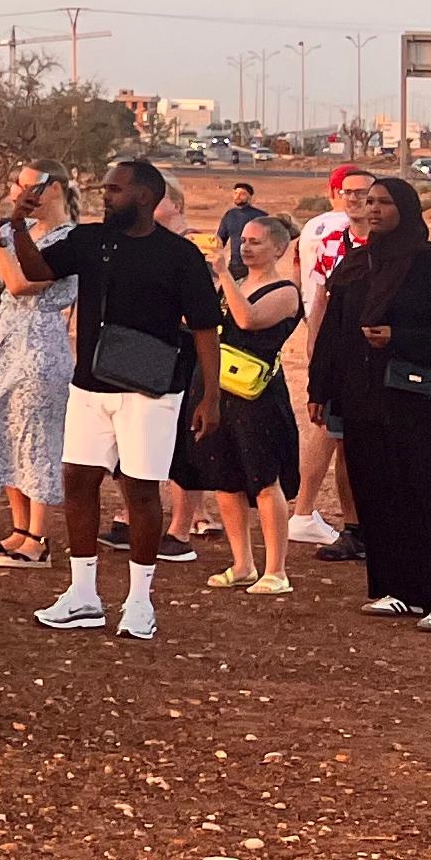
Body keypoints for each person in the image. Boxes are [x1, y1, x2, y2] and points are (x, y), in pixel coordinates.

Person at [0, 156, 223, 643]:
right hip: (90, 383)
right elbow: (40, 272)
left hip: (152, 389)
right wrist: (16, 226)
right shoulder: (90, 240)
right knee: (78, 480)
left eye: (115, 189)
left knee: (141, 490)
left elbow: (206, 329)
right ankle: (83, 595)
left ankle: (140, 601)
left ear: (145, 196)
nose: (106, 195)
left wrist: (211, 396)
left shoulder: (179, 256)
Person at [306, 171, 431, 632]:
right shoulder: (355, 265)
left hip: (422, 401)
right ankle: (396, 589)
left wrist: (399, 339)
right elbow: (332, 333)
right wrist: (320, 389)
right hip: (364, 400)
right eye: (370, 203)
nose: (374, 210)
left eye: (384, 203)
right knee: (378, 494)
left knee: (427, 494)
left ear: (406, 210)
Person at [180, 213, 307, 593]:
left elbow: (248, 319)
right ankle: (242, 564)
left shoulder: (285, 291)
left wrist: (222, 275)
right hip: (218, 391)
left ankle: (276, 569)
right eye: (244, 241)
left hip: (258, 396)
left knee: (265, 481)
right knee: (225, 478)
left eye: (256, 242)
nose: (246, 248)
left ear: (278, 248)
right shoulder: (231, 284)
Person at [0, 168, 77, 568]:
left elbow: (22, 284)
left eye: (27, 184)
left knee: (37, 438)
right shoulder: (19, 228)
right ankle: (19, 529)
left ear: (55, 189)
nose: (17, 191)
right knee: (8, 430)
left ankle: (39, 538)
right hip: (4, 342)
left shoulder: (67, 239)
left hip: (40, 344)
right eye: (16, 184)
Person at [288, 177, 367, 562]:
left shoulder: (395, 246)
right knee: (337, 435)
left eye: (363, 193)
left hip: (379, 358)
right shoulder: (328, 241)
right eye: (348, 192)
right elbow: (318, 296)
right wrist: (315, 349)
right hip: (337, 355)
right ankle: (351, 527)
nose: (354, 199)